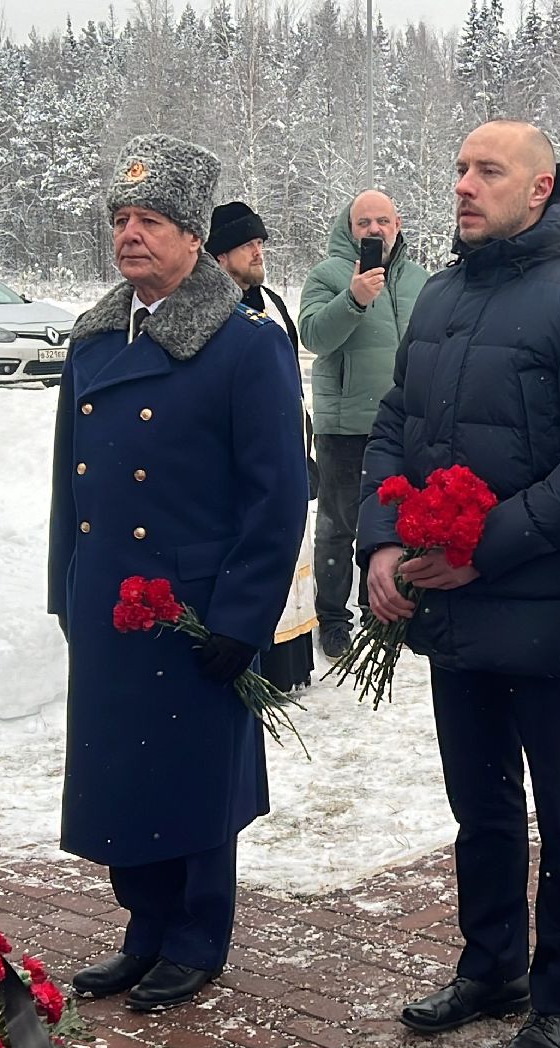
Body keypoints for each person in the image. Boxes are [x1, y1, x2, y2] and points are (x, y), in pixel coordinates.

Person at [361, 120, 560, 1048]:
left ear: (540, 187)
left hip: (542, 604)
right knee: (478, 807)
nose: (465, 186)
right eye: (459, 169)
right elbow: (397, 421)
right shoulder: (441, 291)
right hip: (450, 604)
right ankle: (493, 966)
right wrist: (382, 539)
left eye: (488, 171)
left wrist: (488, 547)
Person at [47, 135, 307, 1011]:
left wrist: (242, 615)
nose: (130, 236)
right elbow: (67, 486)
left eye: (150, 221)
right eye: (121, 221)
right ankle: (145, 926)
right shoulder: (91, 342)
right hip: (112, 601)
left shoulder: (244, 345)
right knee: (122, 771)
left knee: (190, 775)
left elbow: (278, 496)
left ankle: (197, 934)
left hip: (196, 609)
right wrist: (67, 586)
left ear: (194, 238)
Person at [299, 190, 425, 659]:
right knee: (338, 525)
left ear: (397, 225)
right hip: (345, 425)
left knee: (396, 522)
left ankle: (383, 609)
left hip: (403, 425)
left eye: (382, 221)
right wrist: (353, 298)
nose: (374, 230)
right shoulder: (328, 274)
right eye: (363, 223)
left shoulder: (419, 280)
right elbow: (313, 335)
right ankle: (333, 617)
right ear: (348, 228)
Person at [209, 200, 317, 691]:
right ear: (219, 255)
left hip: (288, 445)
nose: (258, 252)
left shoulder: (271, 302)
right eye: (247, 245)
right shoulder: (210, 312)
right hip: (239, 460)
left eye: (260, 244)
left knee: (293, 559)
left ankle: (290, 667)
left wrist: (304, 447)